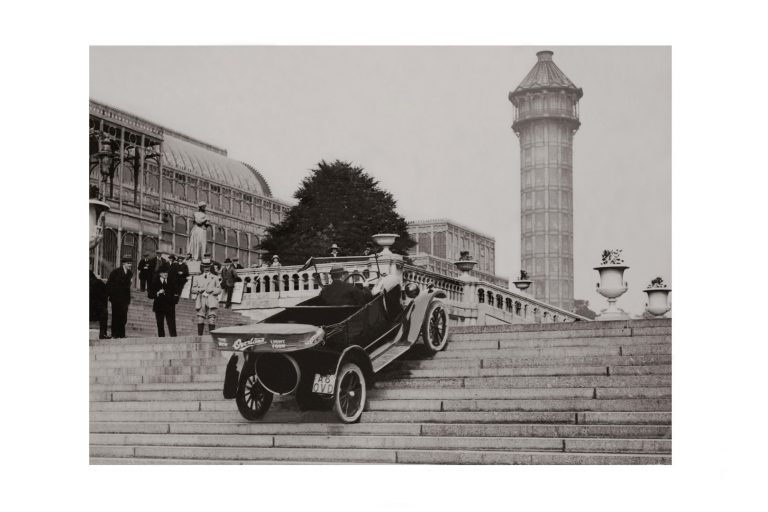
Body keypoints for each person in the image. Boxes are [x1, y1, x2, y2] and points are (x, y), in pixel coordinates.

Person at [106, 256, 133, 338]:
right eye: (128, 263)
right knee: (115, 316)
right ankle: (114, 334)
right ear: (123, 263)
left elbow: (127, 288)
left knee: (123, 317)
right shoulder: (115, 272)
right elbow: (109, 285)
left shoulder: (129, 274)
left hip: (125, 300)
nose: (130, 265)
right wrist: (112, 296)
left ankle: (121, 334)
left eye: (131, 263)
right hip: (116, 299)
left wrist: (128, 300)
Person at [148, 263, 178, 337]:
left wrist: (173, 301)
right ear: (160, 273)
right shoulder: (155, 282)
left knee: (172, 324)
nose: (166, 274)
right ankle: (162, 340)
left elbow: (176, 293)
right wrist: (158, 293)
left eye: (167, 272)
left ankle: (174, 339)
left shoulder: (171, 282)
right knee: (160, 324)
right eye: (164, 272)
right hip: (159, 307)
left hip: (170, 306)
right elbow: (150, 295)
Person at [192, 259, 221, 335]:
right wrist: (200, 289)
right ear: (202, 267)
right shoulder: (197, 278)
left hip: (211, 299)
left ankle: (212, 337)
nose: (206, 268)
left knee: (211, 319)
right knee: (200, 319)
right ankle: (200, 337)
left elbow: (219, 289)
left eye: (208, 266)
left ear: (210, 266)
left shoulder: (215, 277)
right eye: (205, 267)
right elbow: (193, 289)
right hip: (201, 300)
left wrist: (211, 290)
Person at [90, 266, 110, 339]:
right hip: (95, 307)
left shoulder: (95, 281)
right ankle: (103, 334)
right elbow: (105, 293)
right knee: (104, 313)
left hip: (92, 306)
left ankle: (103, 334)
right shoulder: (97, 282)